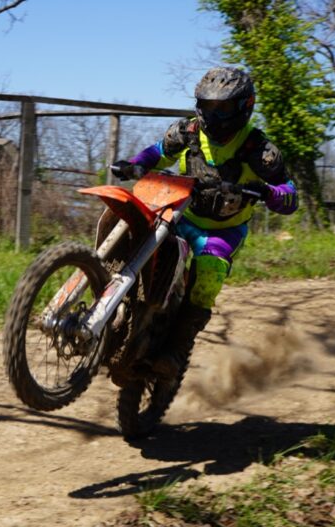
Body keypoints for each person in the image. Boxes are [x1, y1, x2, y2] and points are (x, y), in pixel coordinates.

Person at [110, 66, 299, 377]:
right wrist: (134, 165)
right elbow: (158, 152)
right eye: (207, 105)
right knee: (136, 231)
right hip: (178, 213)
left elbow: (291, 194)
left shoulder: (258, 149)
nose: (213, 114)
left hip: (222, 231)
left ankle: (178, 346)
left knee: (209, 271)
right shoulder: (188, 131)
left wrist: (266, 191)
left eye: (222, 107)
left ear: (243, 107)